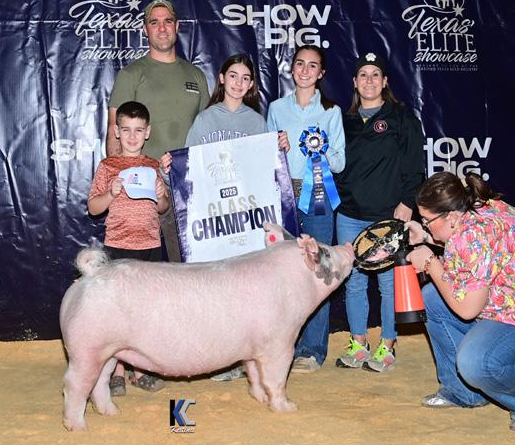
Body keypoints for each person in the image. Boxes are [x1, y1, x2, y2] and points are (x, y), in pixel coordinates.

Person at [405, 171, 515, 431]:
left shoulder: (475, 235)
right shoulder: (473, 209)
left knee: (476, 361)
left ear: (451, 216)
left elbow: (467, 309)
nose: (425, 224)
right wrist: (427, 237)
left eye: (427, 221)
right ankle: (464, 392)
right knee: (432, 298)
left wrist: (430, 263)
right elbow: (468, 256)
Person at [159, 53, 289, 381]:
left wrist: (280, 148)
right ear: (221, 78)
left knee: (245, 293)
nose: (238, 83)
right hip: (216, 220)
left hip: (243, 219)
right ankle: (219, 361)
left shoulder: (256, 122)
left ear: (251, 84)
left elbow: (265, 171)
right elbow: (189, 168)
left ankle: (245, 359)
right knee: (217, 293)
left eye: (245, 78)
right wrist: (169, 167)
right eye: (233, 76)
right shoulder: (205, 120)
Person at [334, 51, 425, 372]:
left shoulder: (401, 118)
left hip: (388, 216)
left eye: (375, 75)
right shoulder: (342, 122)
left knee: (389, 284)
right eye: (363, 75)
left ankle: (388, 344)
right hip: (349, 214)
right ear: (354, 82)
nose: (369, 80)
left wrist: (408, 202)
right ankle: (358, 343)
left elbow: (415, 166)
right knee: (354, 282)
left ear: (385, 81)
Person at [107, 0, 209, 262]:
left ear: (177, 26)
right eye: (154, 22)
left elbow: (207, 131)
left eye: (167, 21)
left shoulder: (196, 75)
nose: (162, 28)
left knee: (187, 264)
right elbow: (114, 128)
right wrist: (119, 183)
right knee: (136, 266)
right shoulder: (131, 74)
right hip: (142, 185)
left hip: (187, 186)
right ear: (145, 29)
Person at [267, 44, 345, 373]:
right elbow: (266, 156)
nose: (305, 70)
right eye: (300, 63)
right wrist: (277, 147)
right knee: (284, 271)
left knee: (319, 269)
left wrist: (320, 152)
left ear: (321, 73)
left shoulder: (331, 112)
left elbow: (339, 162)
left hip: (318, 196)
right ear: (292, 68)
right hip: (285, 194)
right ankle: (283, 344)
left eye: (313, 65)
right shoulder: (276, 108)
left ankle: (312, 349)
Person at [88, 101, 171, 396]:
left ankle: (141, 370)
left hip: (150, 245)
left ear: (147, 132)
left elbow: (162, 208)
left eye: (138, 130)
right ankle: (117, 373)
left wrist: (162, 196)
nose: (132, 136)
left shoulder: (152, 166)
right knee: (118, 313)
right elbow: (93, 208)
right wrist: (111, 193)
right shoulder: (107, 167)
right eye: (126, 130)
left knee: (146, 311)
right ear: (117, 132)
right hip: (118, 245)